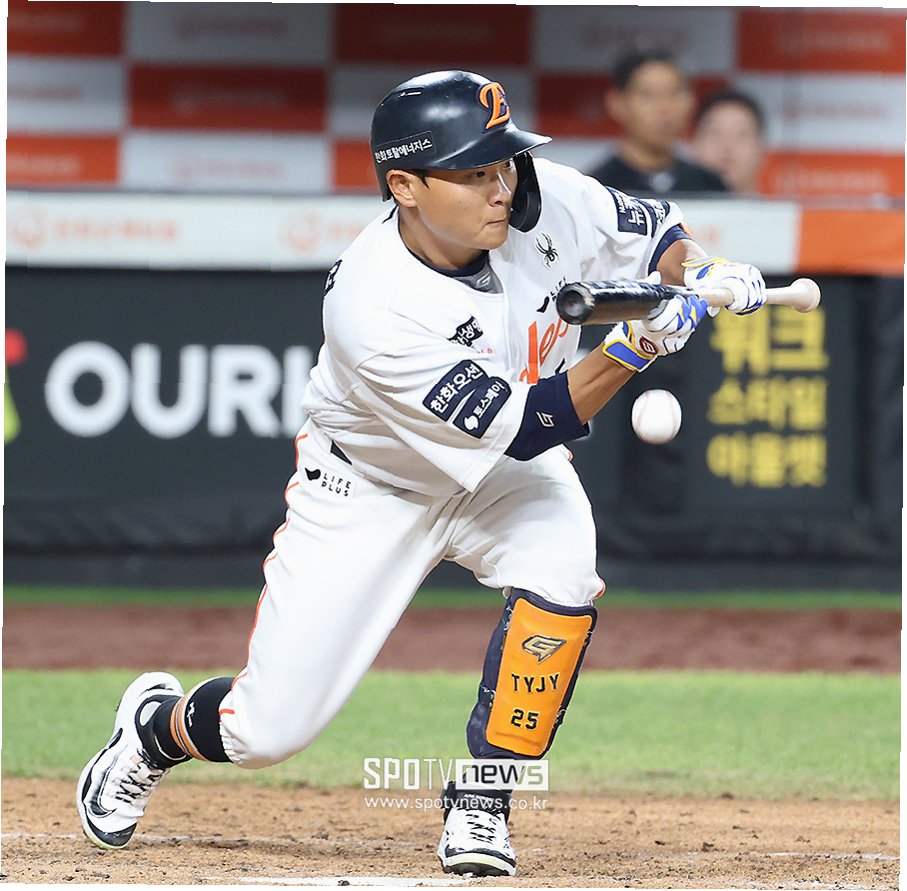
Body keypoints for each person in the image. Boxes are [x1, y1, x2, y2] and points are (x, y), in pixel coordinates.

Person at [76, 70, 766, 878]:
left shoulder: (540, 194)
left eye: (502, 161)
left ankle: (484, 799)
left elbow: (651, 234)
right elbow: (531, 422)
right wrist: (638, 345)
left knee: (564, 569)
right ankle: (154, 730)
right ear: (404, 185)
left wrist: (699, 269)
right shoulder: (375, 305)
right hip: (372, 488)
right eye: (472, 172)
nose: (499, 186)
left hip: (506, 478)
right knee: (263, 733)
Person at [587, 49, 728, 196]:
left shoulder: (711, 187)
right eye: (648, 95)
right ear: (617, 103)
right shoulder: (597, 190)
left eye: (674, 93)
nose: (664, 109)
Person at [691, 89, 767, 195]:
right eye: (715, 133)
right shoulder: (673, 204)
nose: (727, 146)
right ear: (695, 145)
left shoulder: (784, 206)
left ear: (760, 149)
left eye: (741, 134)